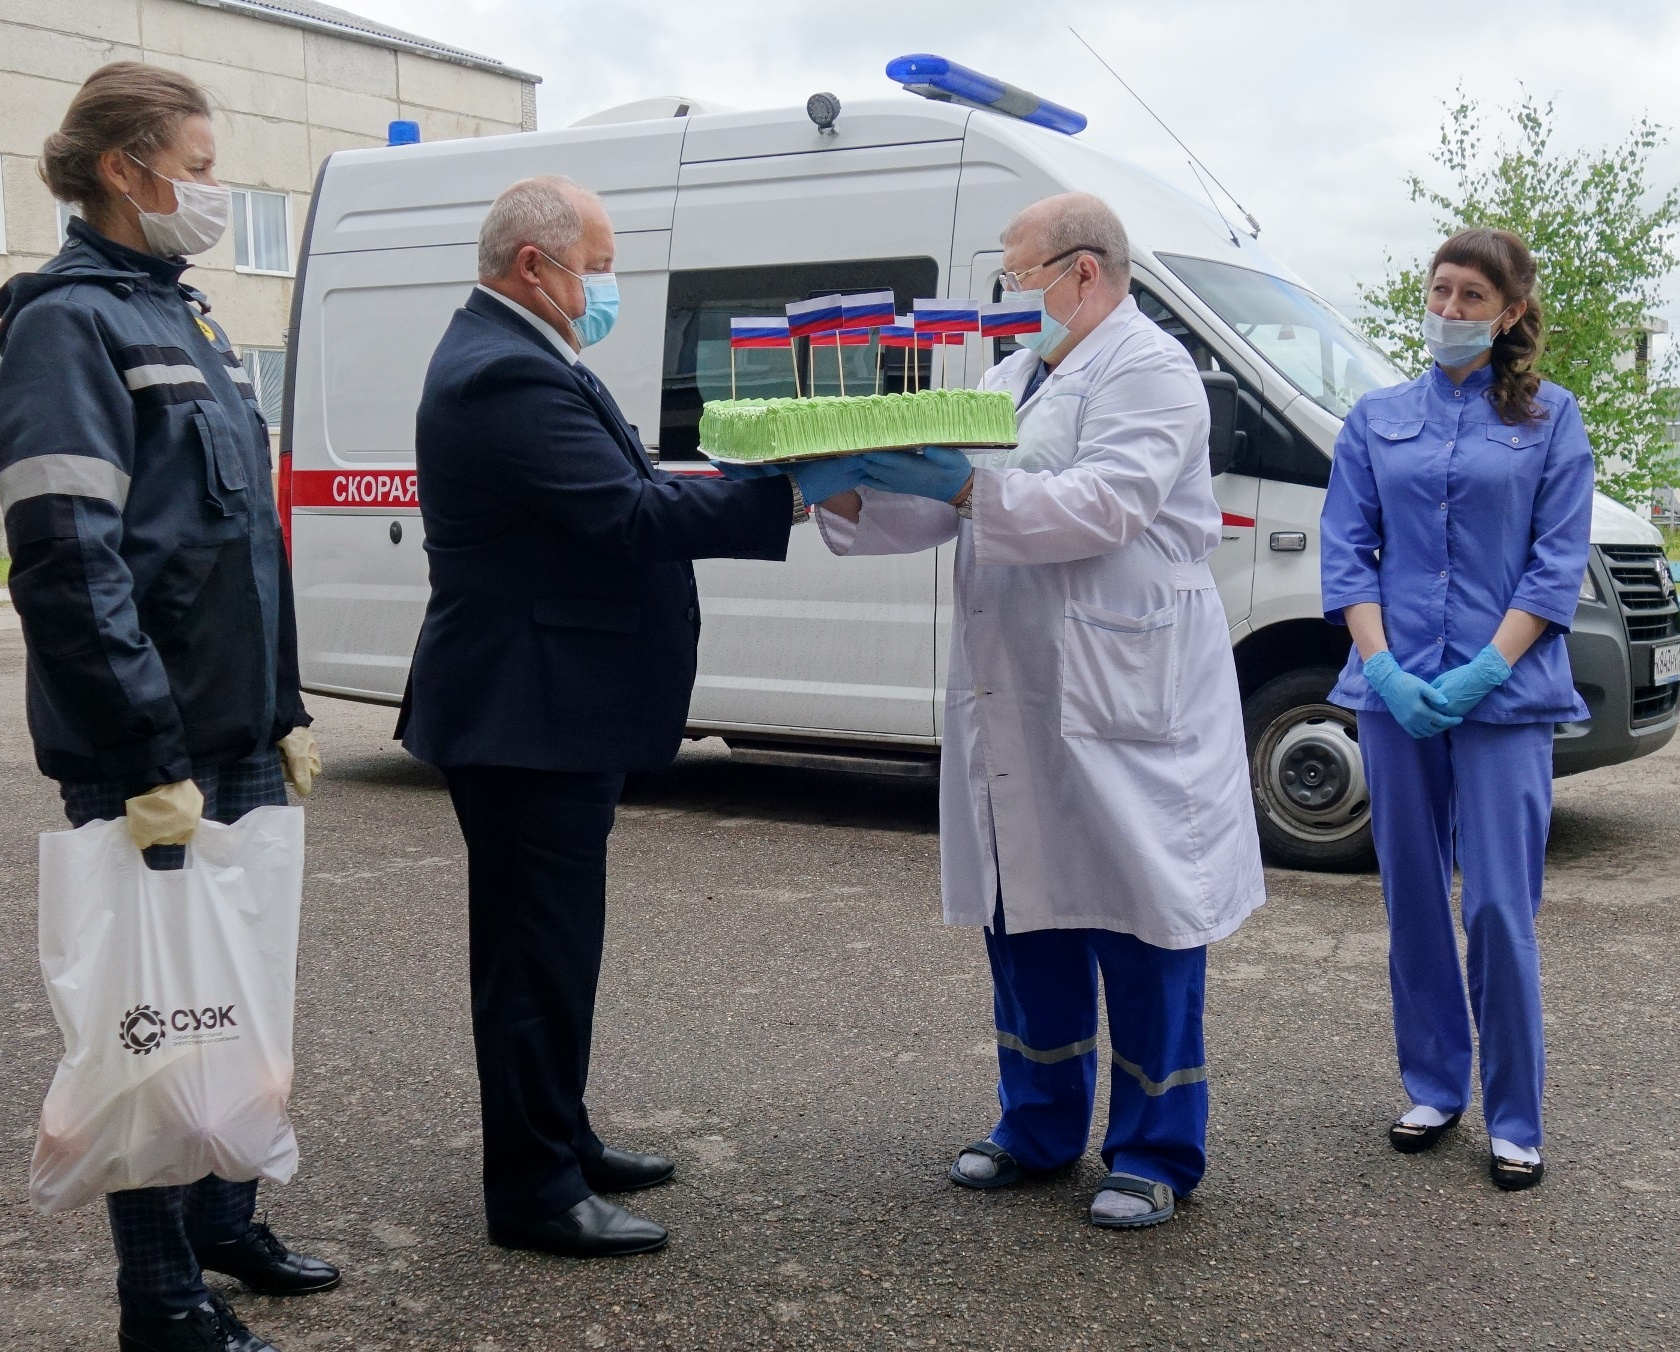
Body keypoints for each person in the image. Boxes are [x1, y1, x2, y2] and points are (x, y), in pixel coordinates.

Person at [399, 175, 880, 1257]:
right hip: (526, 714)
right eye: (600, 263)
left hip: (549, 711)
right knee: (534, 957)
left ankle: (559, 1133)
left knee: (554, 950)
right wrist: (794, 491)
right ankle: (532, 1190)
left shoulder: (525, 355)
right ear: (536, 263)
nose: (606, 285)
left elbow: (624, 486)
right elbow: (624, 513)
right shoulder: (501, 373)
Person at [812, 192, 1265, 1228]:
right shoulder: (1014, 375)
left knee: (1144, 922)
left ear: (1084, 271)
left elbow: (1104, 502)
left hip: (1124, 689)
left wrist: (970, 495)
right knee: (1024, 912)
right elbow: (936, 501)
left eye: (1020, 276)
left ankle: (1154, 1149)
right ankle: (1035, 1125)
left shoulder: (1151, 371)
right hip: (1016, 689)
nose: (1011, 298)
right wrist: (842, 489)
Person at [0, 62, 337, 1352]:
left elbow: (243, 539)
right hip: (151, 751)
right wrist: (142, 757)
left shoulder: (183, 316)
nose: (215, 185)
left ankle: (226, 1220)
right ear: (127, 169)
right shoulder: (66, 328)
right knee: (162, 1015)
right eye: (198, 160)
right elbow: (69, 557)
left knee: (238, 995)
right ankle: (161, 1298)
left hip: (236, 731)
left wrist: (286, 706)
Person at [1319, 228, 1594, 1192]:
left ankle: (1514, 1115)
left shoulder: (1552, 420)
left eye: (1471, 297)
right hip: (1392, 692)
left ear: (1511, 311)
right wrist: (1383, 668)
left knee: (1496, 903)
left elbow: (1555, 564)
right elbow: (1348, 552)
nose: (1447, 312)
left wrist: (1484, 669)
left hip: (1503, 697)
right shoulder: (1375, 417)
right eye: (1438, 291)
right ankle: (1433, 1083)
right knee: (1411, 899)